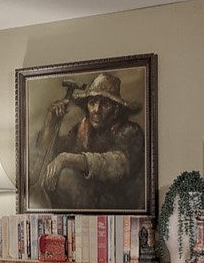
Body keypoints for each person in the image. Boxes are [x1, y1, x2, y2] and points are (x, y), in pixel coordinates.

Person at [33, 71, 147, 210]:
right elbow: (51, 154)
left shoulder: (131, 132)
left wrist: (65, 158)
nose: (96, 110)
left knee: (66, 176)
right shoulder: (82, 129)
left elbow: (116, 165)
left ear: (116, 109)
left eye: (104, 104)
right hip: (84, 210)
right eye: (92, 103)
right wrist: (49, 124)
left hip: (117, 211)